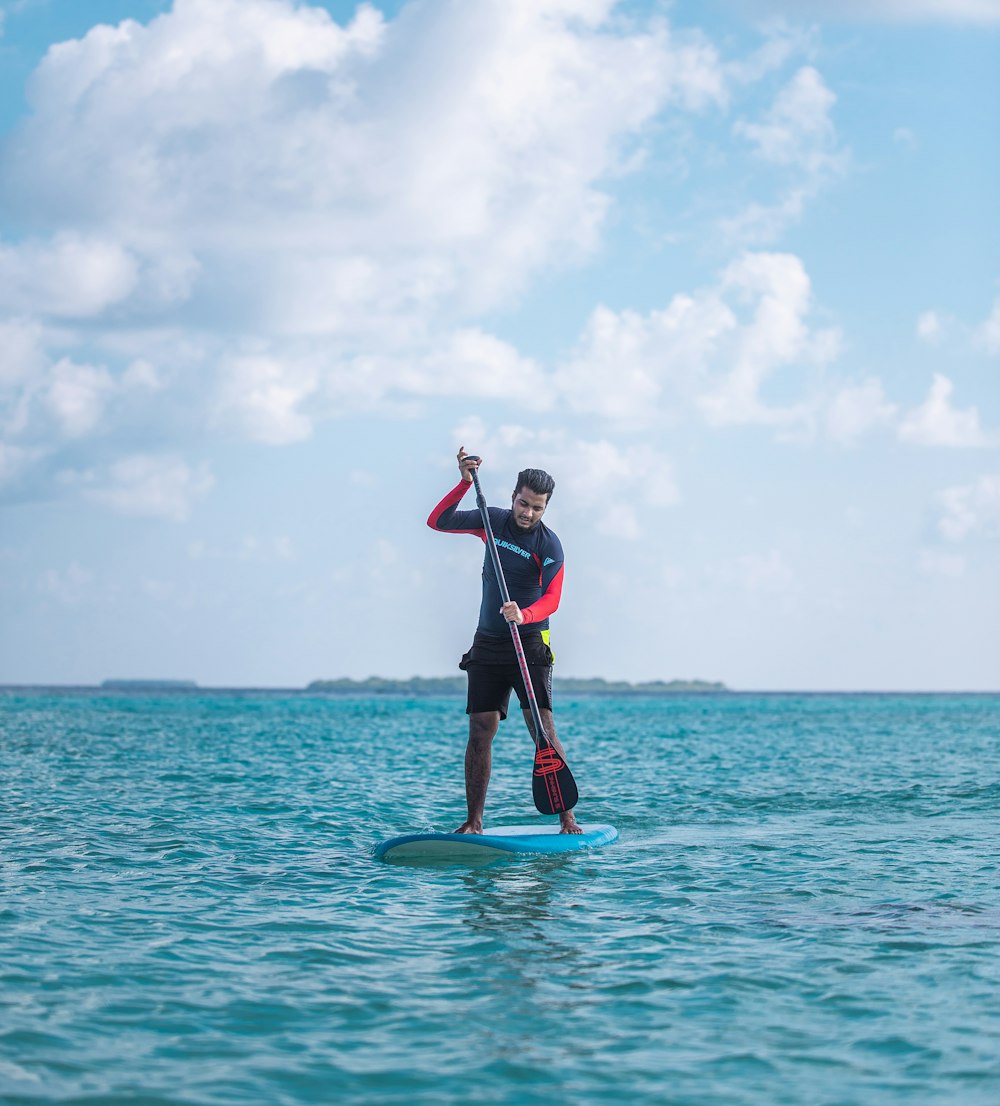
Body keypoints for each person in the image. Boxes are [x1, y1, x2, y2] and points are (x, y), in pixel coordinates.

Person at [427, 446, 581, 835]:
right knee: (480, 729)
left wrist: (524, 614)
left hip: (529, 642)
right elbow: (438, 521)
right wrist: (463, 483)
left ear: (546, 508)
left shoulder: (549, 545)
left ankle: (567, 818)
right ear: (514, 496)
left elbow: (553, 598)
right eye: (524, 503)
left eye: (538, 508)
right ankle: (474, 821)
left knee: (541, 729)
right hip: (489, 643)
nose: (528, 513)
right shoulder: (492, 521)